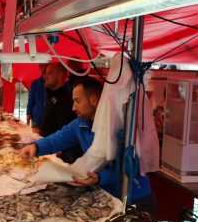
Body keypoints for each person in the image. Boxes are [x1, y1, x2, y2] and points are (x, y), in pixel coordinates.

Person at [19, 77, 154, 211]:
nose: (73, 108)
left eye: (77, 101)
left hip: (134, 198)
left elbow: (131, 168)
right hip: (107, 195)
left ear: (94, 100)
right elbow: (58, 139)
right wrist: (36, 147)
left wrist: (101, 177)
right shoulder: (81, 123)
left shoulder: (118, 127)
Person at [40, 62, 83, 163]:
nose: (45, 76)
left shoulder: (67, 100)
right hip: (46, 148)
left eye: (49, 73)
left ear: (60, 75)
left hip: (57, 156)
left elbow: (68, 132)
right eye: (45, 73)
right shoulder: (51, 95)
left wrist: (62, 151)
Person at [26, 64, 48, 133]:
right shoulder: (35, 83)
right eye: (41, 66)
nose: (42, 68)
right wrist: (28, 114)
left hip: (49, 118)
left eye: (44, 66)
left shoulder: (52, 83)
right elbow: (31, 99)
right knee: (35, 138)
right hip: (36, 118)